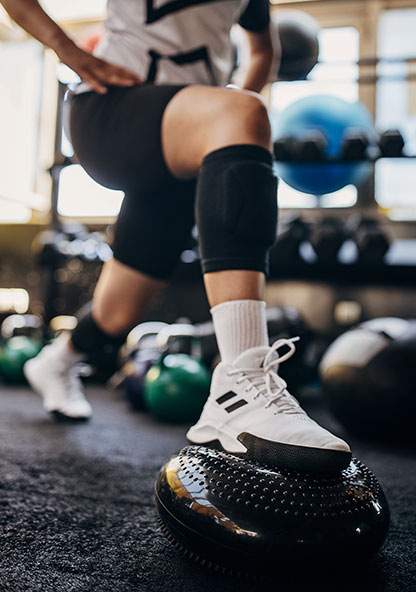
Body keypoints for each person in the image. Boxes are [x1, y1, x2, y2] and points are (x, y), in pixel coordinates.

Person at [2, 0, 351, 472]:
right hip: (112, 110)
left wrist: (221, 125)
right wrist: (67, 50)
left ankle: (57, 360)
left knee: (120, 310)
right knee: (243, 112)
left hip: (180, 130)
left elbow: (262, 50)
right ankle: (241, 382)